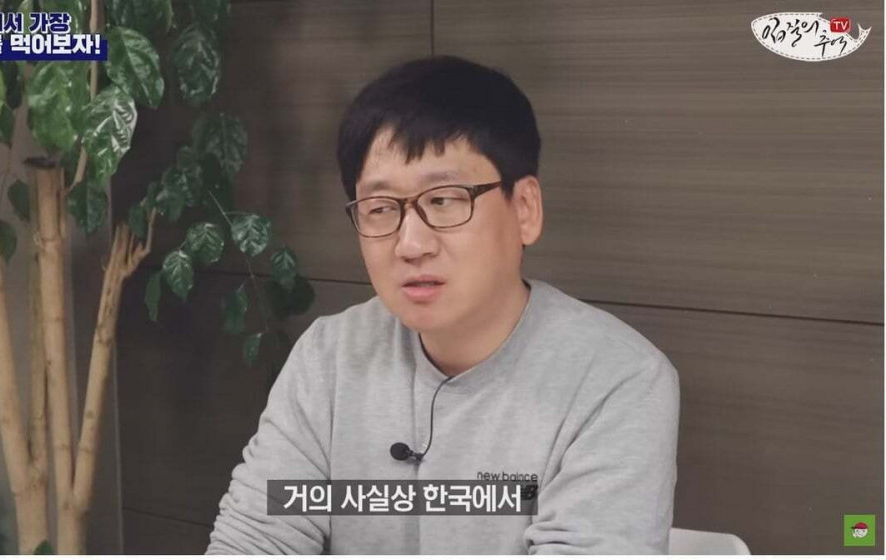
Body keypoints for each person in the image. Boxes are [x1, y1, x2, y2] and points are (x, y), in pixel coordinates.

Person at [206, 55, 679, 554]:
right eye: (381, 208)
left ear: (524, 209)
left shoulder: (617, 381)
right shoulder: (329, 357)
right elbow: (254, 540)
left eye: (444, 200)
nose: (411, 244)